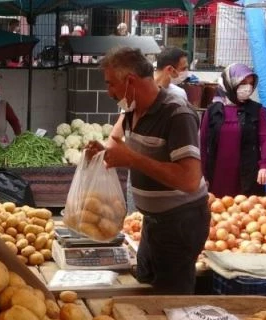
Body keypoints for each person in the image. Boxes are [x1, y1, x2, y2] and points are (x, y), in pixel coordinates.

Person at [85, 47, 209, 294]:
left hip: (181, 223)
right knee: (146, 286)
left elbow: (189, 180)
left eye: (111, 84)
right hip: (153, 223)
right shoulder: (131, 110)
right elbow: (125, 150)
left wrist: (132, 159)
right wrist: (104, 154)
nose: (108, 92)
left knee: (170, 300)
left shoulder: (177, 113)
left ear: (130, 81)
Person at [199, 63, 266, 197]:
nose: (248, 87)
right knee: (219, 209)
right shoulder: (212, 110)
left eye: (251, 83)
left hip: (247, 172)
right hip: (217, 173)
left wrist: (265, 165)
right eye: (243, 82)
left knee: (247, 211)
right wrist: (201, 173)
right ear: (229, 82)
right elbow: (202, 143)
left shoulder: (257, 110)